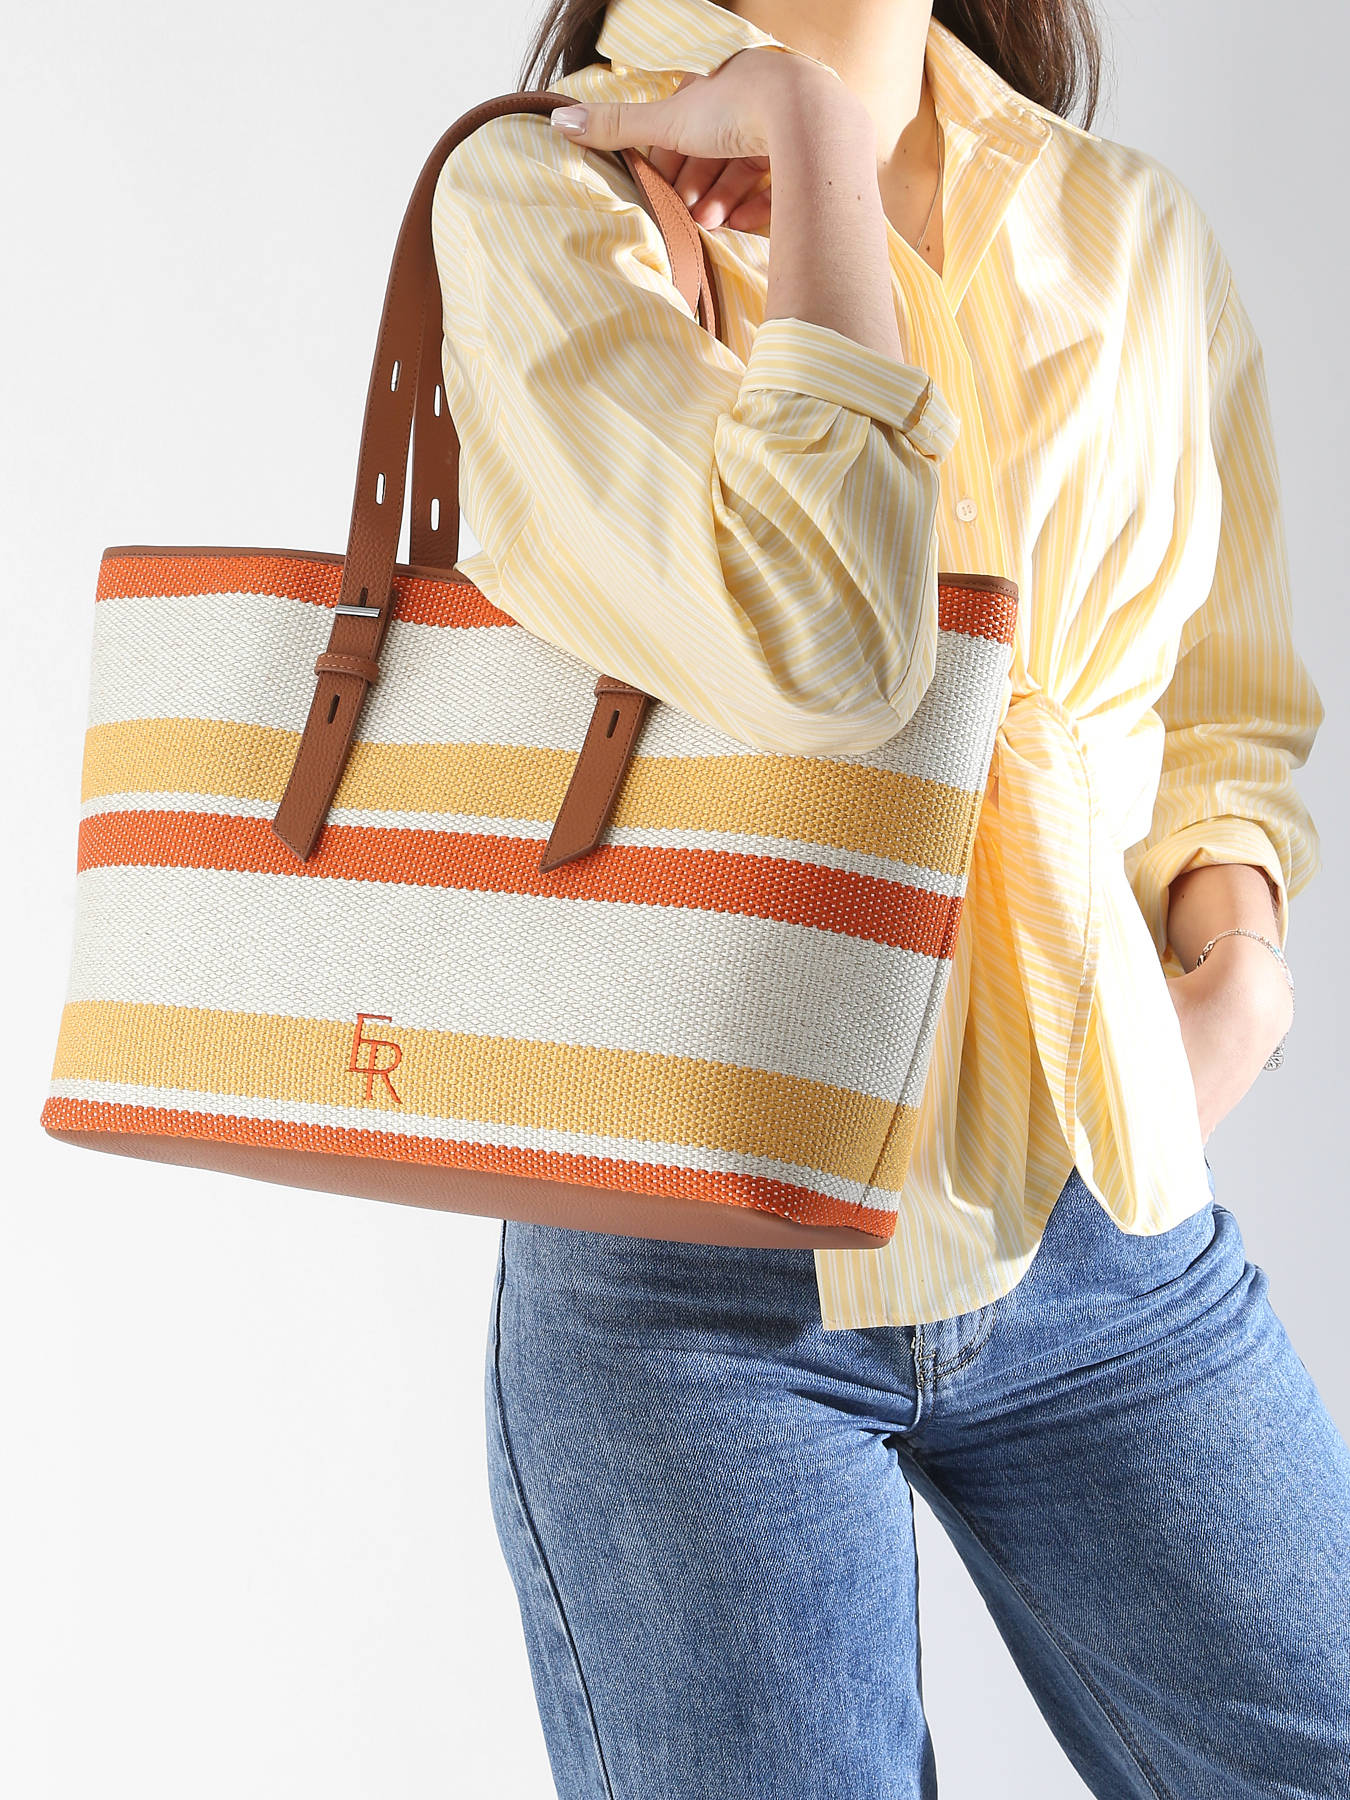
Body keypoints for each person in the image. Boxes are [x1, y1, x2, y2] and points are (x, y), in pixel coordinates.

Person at [432, 1, 1350, 1793]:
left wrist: (1237, 964)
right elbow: (829, 651)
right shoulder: (549, 193)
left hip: (1098, 1207)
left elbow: (1219, 709)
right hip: (697, 1275)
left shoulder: (1122, 222)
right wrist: (815, 153)